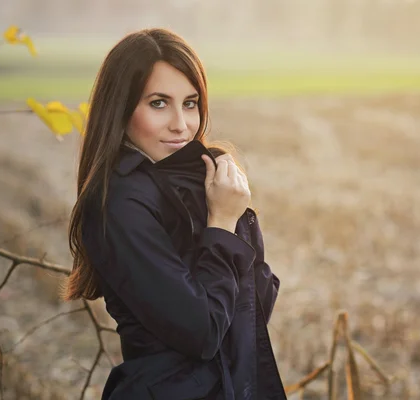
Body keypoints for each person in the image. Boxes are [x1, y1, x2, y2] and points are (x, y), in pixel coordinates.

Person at [60, 28, 287, 400]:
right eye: (159, 103)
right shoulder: (117, 205)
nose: (181, 124)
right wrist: (222, 225)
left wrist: (234, 212)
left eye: (191, 103)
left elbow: (256, 304)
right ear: (122, 107)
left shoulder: (196, 182)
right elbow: (204, 333)